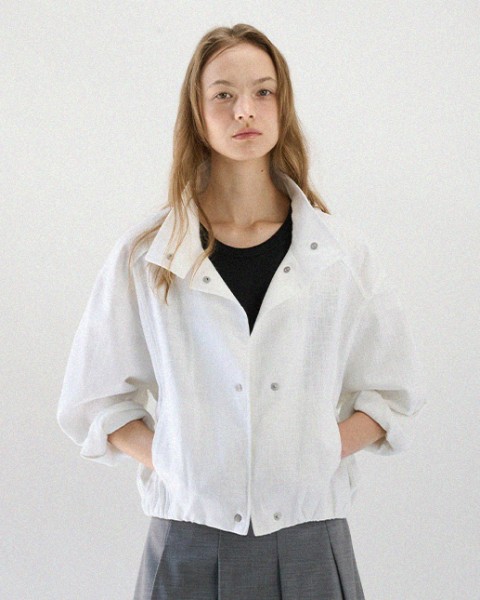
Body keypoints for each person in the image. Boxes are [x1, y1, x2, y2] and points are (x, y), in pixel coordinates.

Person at [57, 23, 426, 600]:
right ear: (197, 113)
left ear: (283, 105)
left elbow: (392, 392)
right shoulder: (147, 254)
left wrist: (316, 451)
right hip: (187, 539)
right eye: (223, 94)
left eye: (263, 91)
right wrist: (176, 461)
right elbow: (95, 398)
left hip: (309, 538)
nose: (244, 110)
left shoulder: (341, 253)